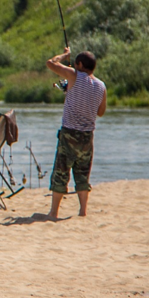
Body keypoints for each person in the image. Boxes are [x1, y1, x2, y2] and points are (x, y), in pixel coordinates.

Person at [45, 47, 107, 219]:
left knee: (61, 173)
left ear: (79, 64)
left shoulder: (74, 75)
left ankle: (54, 212)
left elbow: (50, 63)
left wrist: (65, 55)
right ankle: (83, 211)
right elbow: (101, 112)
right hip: (87, 137)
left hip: (69, 134)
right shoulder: (101, 86)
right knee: (82, 174)